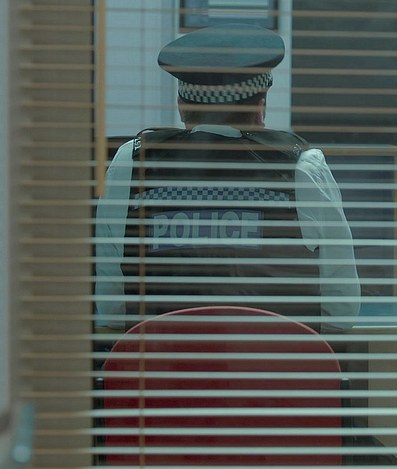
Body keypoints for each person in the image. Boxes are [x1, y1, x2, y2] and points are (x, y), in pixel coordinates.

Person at [95, 23, 360, 333]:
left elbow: (113, 311)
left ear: (182, 107)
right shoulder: (302, 165)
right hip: (272, 361)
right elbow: (341, 312)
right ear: (260, 105)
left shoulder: (132, 161)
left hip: (163, 360)